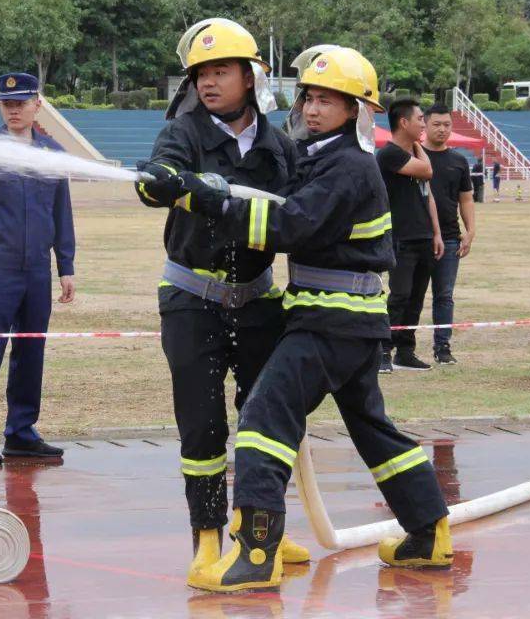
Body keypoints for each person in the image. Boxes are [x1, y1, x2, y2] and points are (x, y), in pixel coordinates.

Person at [176, 45, 451, 593]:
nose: (314, 107)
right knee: (373, 429)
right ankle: (429, 531)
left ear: (356, 110)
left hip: (332, 323)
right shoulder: (320, 155)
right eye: (309, 97)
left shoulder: (348, 165)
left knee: (263, 419)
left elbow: (290, 226)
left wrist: (211, 204)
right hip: (347, 322)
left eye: (329, 100)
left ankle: (256, 552)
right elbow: (279, 187)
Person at [134, 18, 308, 583]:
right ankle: (207, 536)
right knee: (202, 424)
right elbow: (152, 179)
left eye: (221, 70)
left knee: (266, 419)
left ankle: (260, 527)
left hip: (258, 301)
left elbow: (306, 208)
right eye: (201, 74)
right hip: (192, 298)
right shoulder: (184, 132)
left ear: (251, 76)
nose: (209, 83)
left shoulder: (281, 146)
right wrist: (166, 181)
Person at [0, 72, 75, 465]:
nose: (14, 110)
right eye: (6, 104)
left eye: (21, 103)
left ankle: (22, 433)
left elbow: (62, 212)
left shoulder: (51, 152)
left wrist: (66, 266)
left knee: (31, 350)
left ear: (37, 103)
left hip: (38, 270)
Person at [378, 98, 443, 372]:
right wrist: (418, 145)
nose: (423, 125)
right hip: (400, 237)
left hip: (423, 236)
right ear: (403, 122)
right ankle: (382, 350)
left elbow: (428, 195)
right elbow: (428, 171)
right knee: (399, 295)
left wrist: (437, 233)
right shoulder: (389, 154)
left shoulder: (413, 155)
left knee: (416, 297)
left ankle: (405, 351)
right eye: (419, 119)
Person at [423, 105, 476, 365]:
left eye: (447, 124)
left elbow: (466, 199)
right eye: (437, 124)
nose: (442, 129)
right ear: (425, 124)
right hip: (416, 238)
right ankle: (399, 349)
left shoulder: (458, 161)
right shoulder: (413, 157)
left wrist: (470, 231)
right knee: (406, 296)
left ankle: (442, 347)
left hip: (451, 238)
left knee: (444, 295)